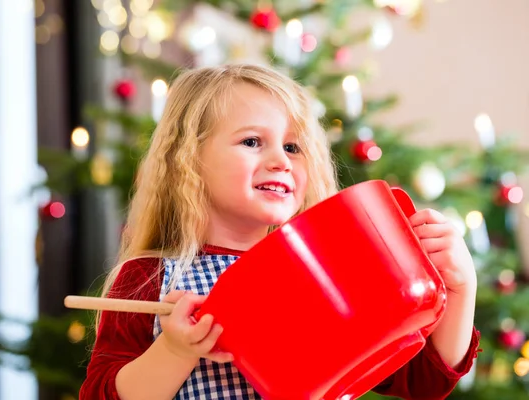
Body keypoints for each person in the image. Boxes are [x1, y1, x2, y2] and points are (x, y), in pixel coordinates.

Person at [79, 64, 480, 400]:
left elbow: (420, 383)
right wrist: (173, 350)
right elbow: (101, 393)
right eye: (252, 141)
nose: (280, 161)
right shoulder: (149, 278)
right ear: (189, 162)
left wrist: (462, 291)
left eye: (293, 147)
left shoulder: (321, 274)